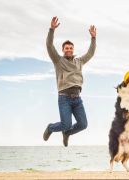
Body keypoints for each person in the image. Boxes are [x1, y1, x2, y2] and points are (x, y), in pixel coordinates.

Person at [43, 16, 96, 147]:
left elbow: (90, 53)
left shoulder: (79, 61)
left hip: (77, 99)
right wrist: (51, 30)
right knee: (65, 124)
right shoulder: (58, 60)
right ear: (63, 50)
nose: (69, 50)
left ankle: (67, 134)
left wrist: (93, 38)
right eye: (66, 48)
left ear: (73, 49)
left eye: (71, 48)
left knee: (83, 124)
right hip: (64, 98)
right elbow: (49, 45)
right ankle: (50, 128)